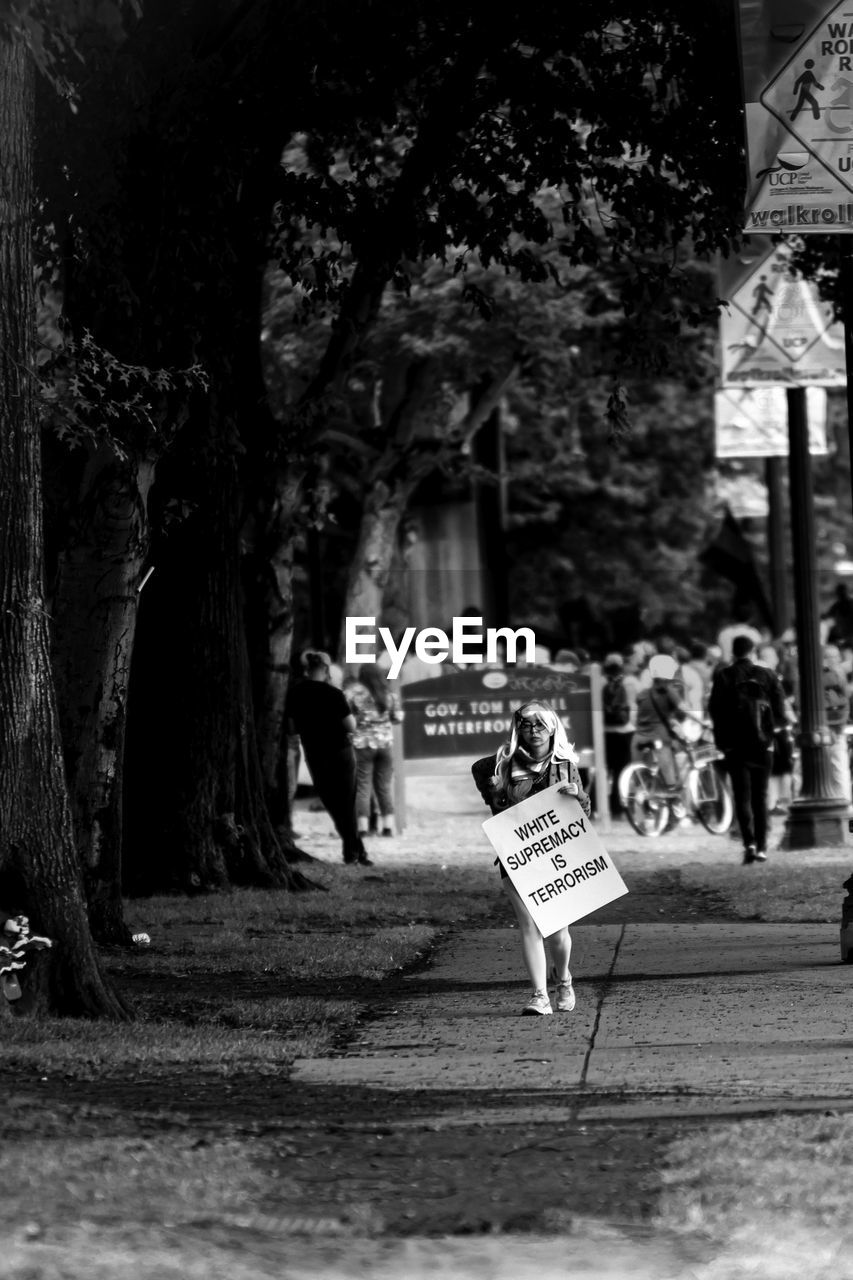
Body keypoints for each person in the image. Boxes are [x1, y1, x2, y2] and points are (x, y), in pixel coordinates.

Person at [471, 701, 590, 1017]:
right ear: (516, 729)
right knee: (530, 926)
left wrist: (578, 796)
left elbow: (585, 815)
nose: (533, 731)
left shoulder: (565, 765)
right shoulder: (501, 765)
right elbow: (496, 804)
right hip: (517, 856)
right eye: (526, 725)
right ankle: (539, 996)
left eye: (540, 725)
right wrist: (493, 791)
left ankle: (563, 978)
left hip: (557, 858)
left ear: (552, 728)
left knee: (557, 930)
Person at [284, 649, 371, 866]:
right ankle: (355, 851)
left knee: (332, 802)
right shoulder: (334, 694)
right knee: (347, 801)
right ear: (324, 669)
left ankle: (354, 850)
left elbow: (292, 728)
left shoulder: (295, 693)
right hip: (340, 751)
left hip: (315, 753)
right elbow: (350, 725)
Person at [708, 634, 786, 865]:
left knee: (741, 796)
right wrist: (772, 734)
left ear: (733, 652)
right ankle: (762, 847)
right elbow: (780, 711)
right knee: (760, 797)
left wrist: (723, 742)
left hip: (735, 746)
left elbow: (715, 711)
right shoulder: (768, 675)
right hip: (763, 745)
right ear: (753, 652)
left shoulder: (724, 676)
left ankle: (749, 844)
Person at [344, 665, 404, 838]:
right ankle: (387, 827)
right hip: (385, 745)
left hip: (363, 745)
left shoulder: (354, 694)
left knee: (363, 786)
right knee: (384, 787)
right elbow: (398, 718)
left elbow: (346, 715)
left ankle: (362, 828)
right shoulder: (388, 695)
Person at [631, 654, 706, 793]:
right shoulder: (669, 691)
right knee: (677, 757)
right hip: (658, 737)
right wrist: (702, 722)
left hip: (638, 738)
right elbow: (685, 709)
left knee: (641, 775)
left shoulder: (642, 694)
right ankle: (672, 788)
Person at [601, 653, 633, 819]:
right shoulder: (630, 682)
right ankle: (618, 809)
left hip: (604, 732)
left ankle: (598, 805)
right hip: (625, 731)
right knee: (622, 771)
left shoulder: (598, 682)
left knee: (603, 771)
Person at [822, 644, 852, 807]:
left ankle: (841, 802)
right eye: (832, 657)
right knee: (839, 766)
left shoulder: (833, 675)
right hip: (833, 726)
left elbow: (844, 701)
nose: (836, 660)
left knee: (837, 766)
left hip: (830, 727)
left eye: (836, 657)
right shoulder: (837, 674)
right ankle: (843, 801)